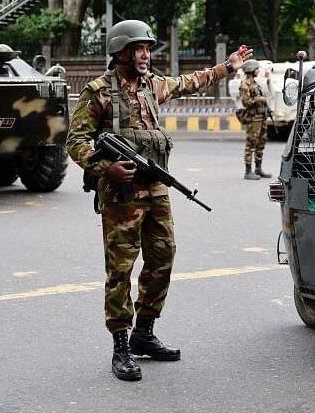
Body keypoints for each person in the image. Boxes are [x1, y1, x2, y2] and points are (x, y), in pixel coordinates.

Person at [66, 19, 252, 382]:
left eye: (148, 49)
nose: (146, 55)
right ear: (121, 52)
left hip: (155, 190)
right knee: (120, 269)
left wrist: (227, 67)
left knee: (163, 257)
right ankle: (121, 344)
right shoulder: (99, 92)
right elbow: (75, 141)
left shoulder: (152, 86)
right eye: (139, 49)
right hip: (121, 194)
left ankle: (144, 333)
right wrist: (106, 167)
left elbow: (188, 83)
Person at [239, 60, 271, 180]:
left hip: (261, 118)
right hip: (253, 119)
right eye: (256, 69)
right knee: (251, 144)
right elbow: (246, 102)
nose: (258, 71)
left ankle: (258, 168)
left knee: (261, 143)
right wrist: (259, 99)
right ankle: (248, 171)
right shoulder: (245, 84)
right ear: (251, 70)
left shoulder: (255, 83)